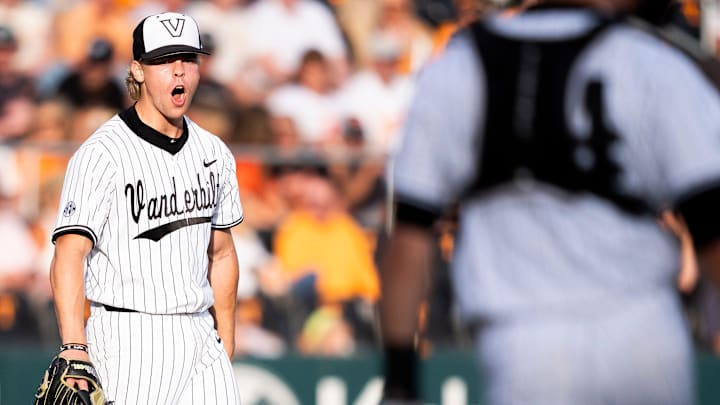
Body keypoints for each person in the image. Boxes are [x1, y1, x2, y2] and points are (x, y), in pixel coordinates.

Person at [378, 0, 720, 404]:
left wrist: (400, 376)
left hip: (527, 342)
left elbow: (409, 238)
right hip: (643, 330)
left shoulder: (457, 67)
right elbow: (711, 229)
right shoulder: (652, 63)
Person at [48, 12, 243, 404]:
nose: (178, 72)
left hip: (201, 334)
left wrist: (226, 340)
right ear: (137, 70)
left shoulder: (214, 153)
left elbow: (221, 253)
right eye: (163, 60)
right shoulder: (103, 153)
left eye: (188, 59)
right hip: (129, 336)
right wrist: (74, 346)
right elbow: (70, 253)